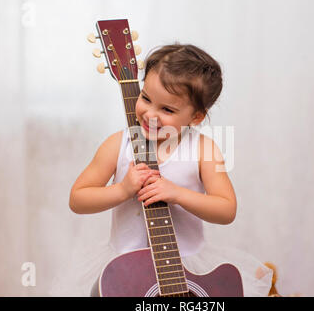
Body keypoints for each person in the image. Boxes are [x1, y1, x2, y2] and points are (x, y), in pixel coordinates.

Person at [49, 43, 272, 297]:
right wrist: (122, 189)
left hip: (186, 265)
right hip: (125, 268)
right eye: (145, 98)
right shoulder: (117, 145)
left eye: (167, 109)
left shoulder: (202, 149)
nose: (150, 114)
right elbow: (78, 199)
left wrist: (176, 193)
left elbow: (226, 209)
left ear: (196, 117)